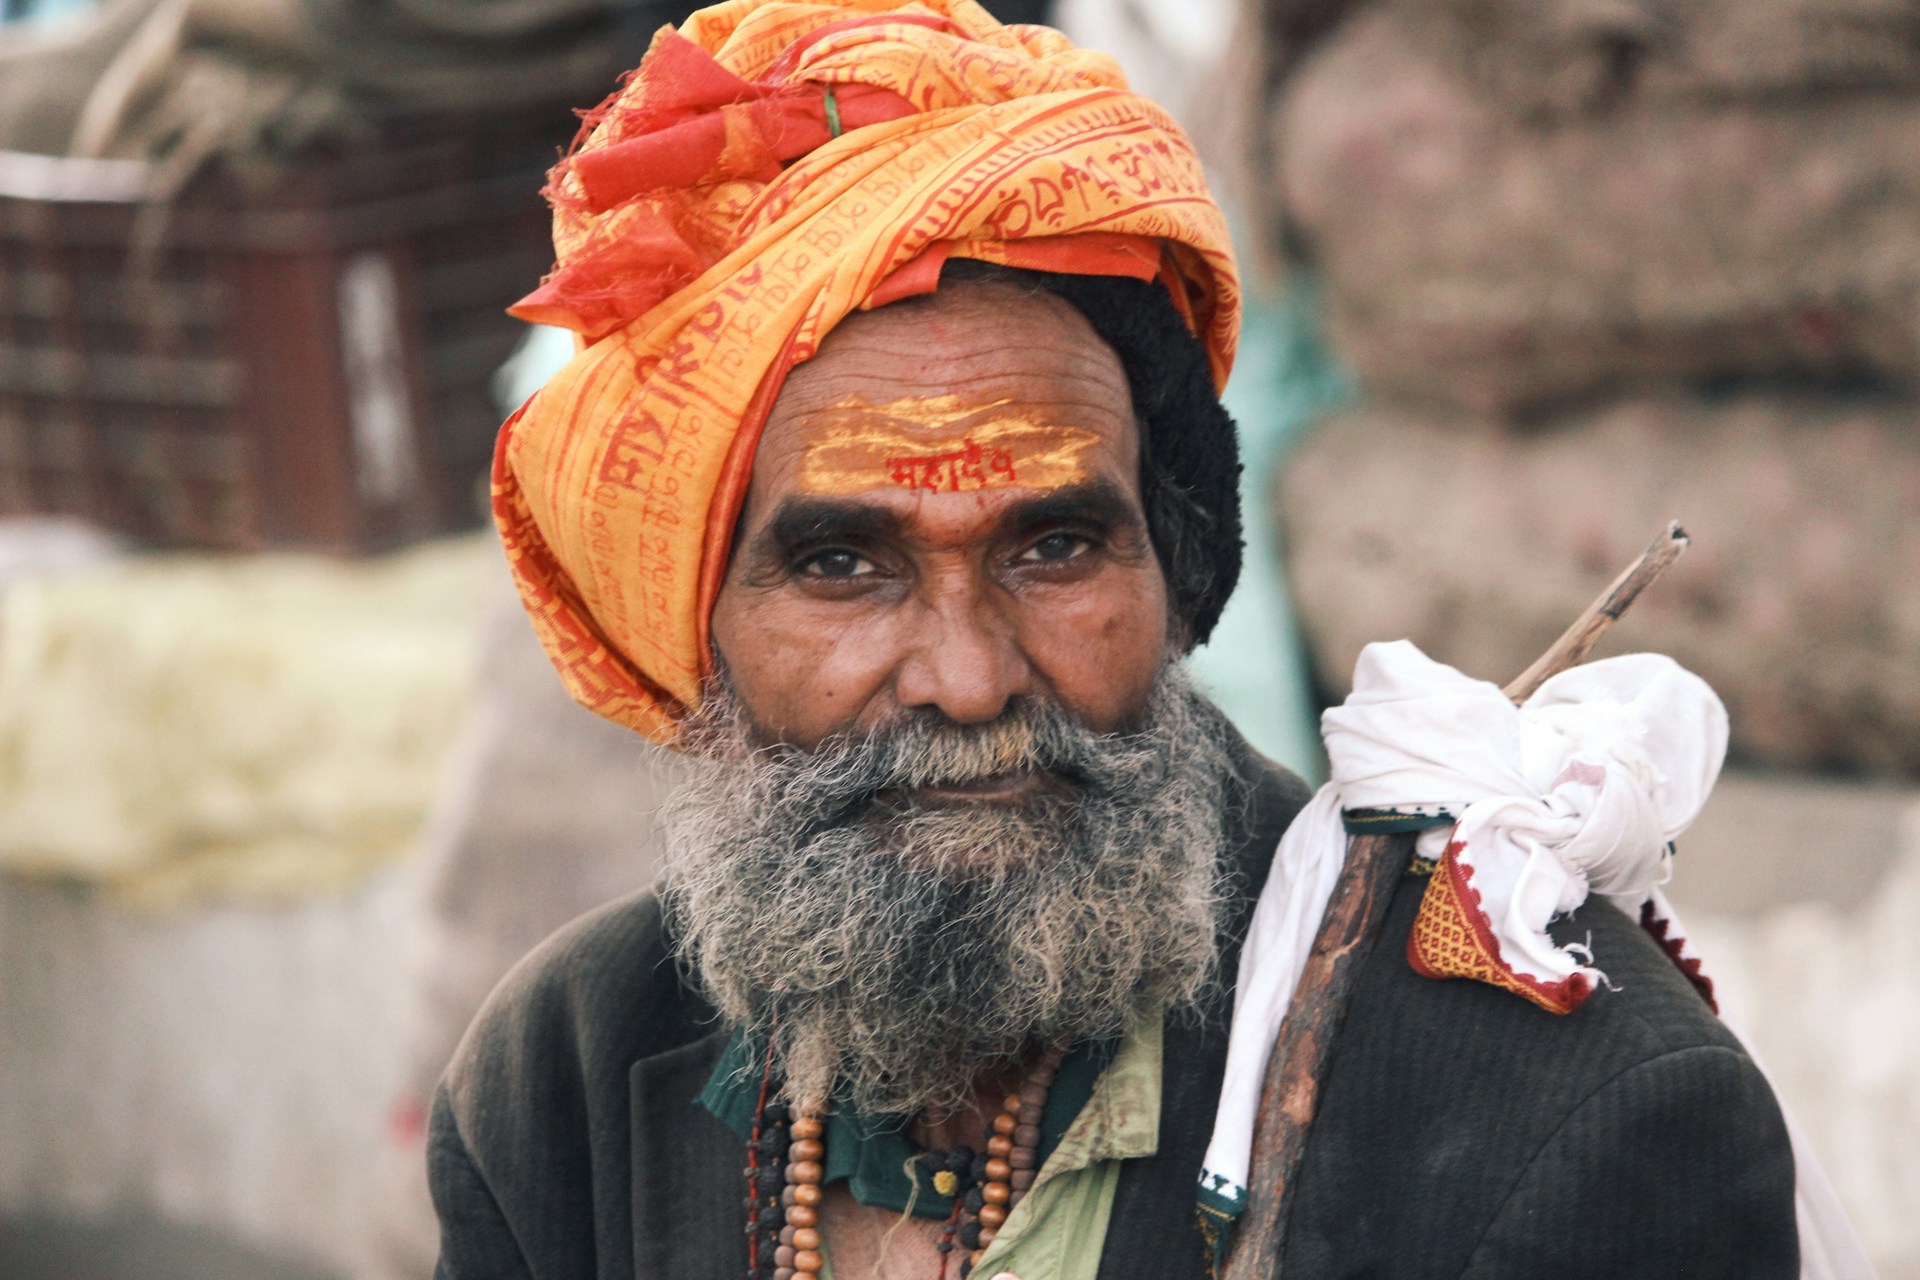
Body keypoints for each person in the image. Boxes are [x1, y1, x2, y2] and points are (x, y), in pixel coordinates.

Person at [427, 0, 1801, 1276]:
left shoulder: (1568, 1120)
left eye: (1056, 547)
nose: (970, 682)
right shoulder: (557, 1087)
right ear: (698, 619)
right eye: (844, 563)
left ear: (1179, 562)